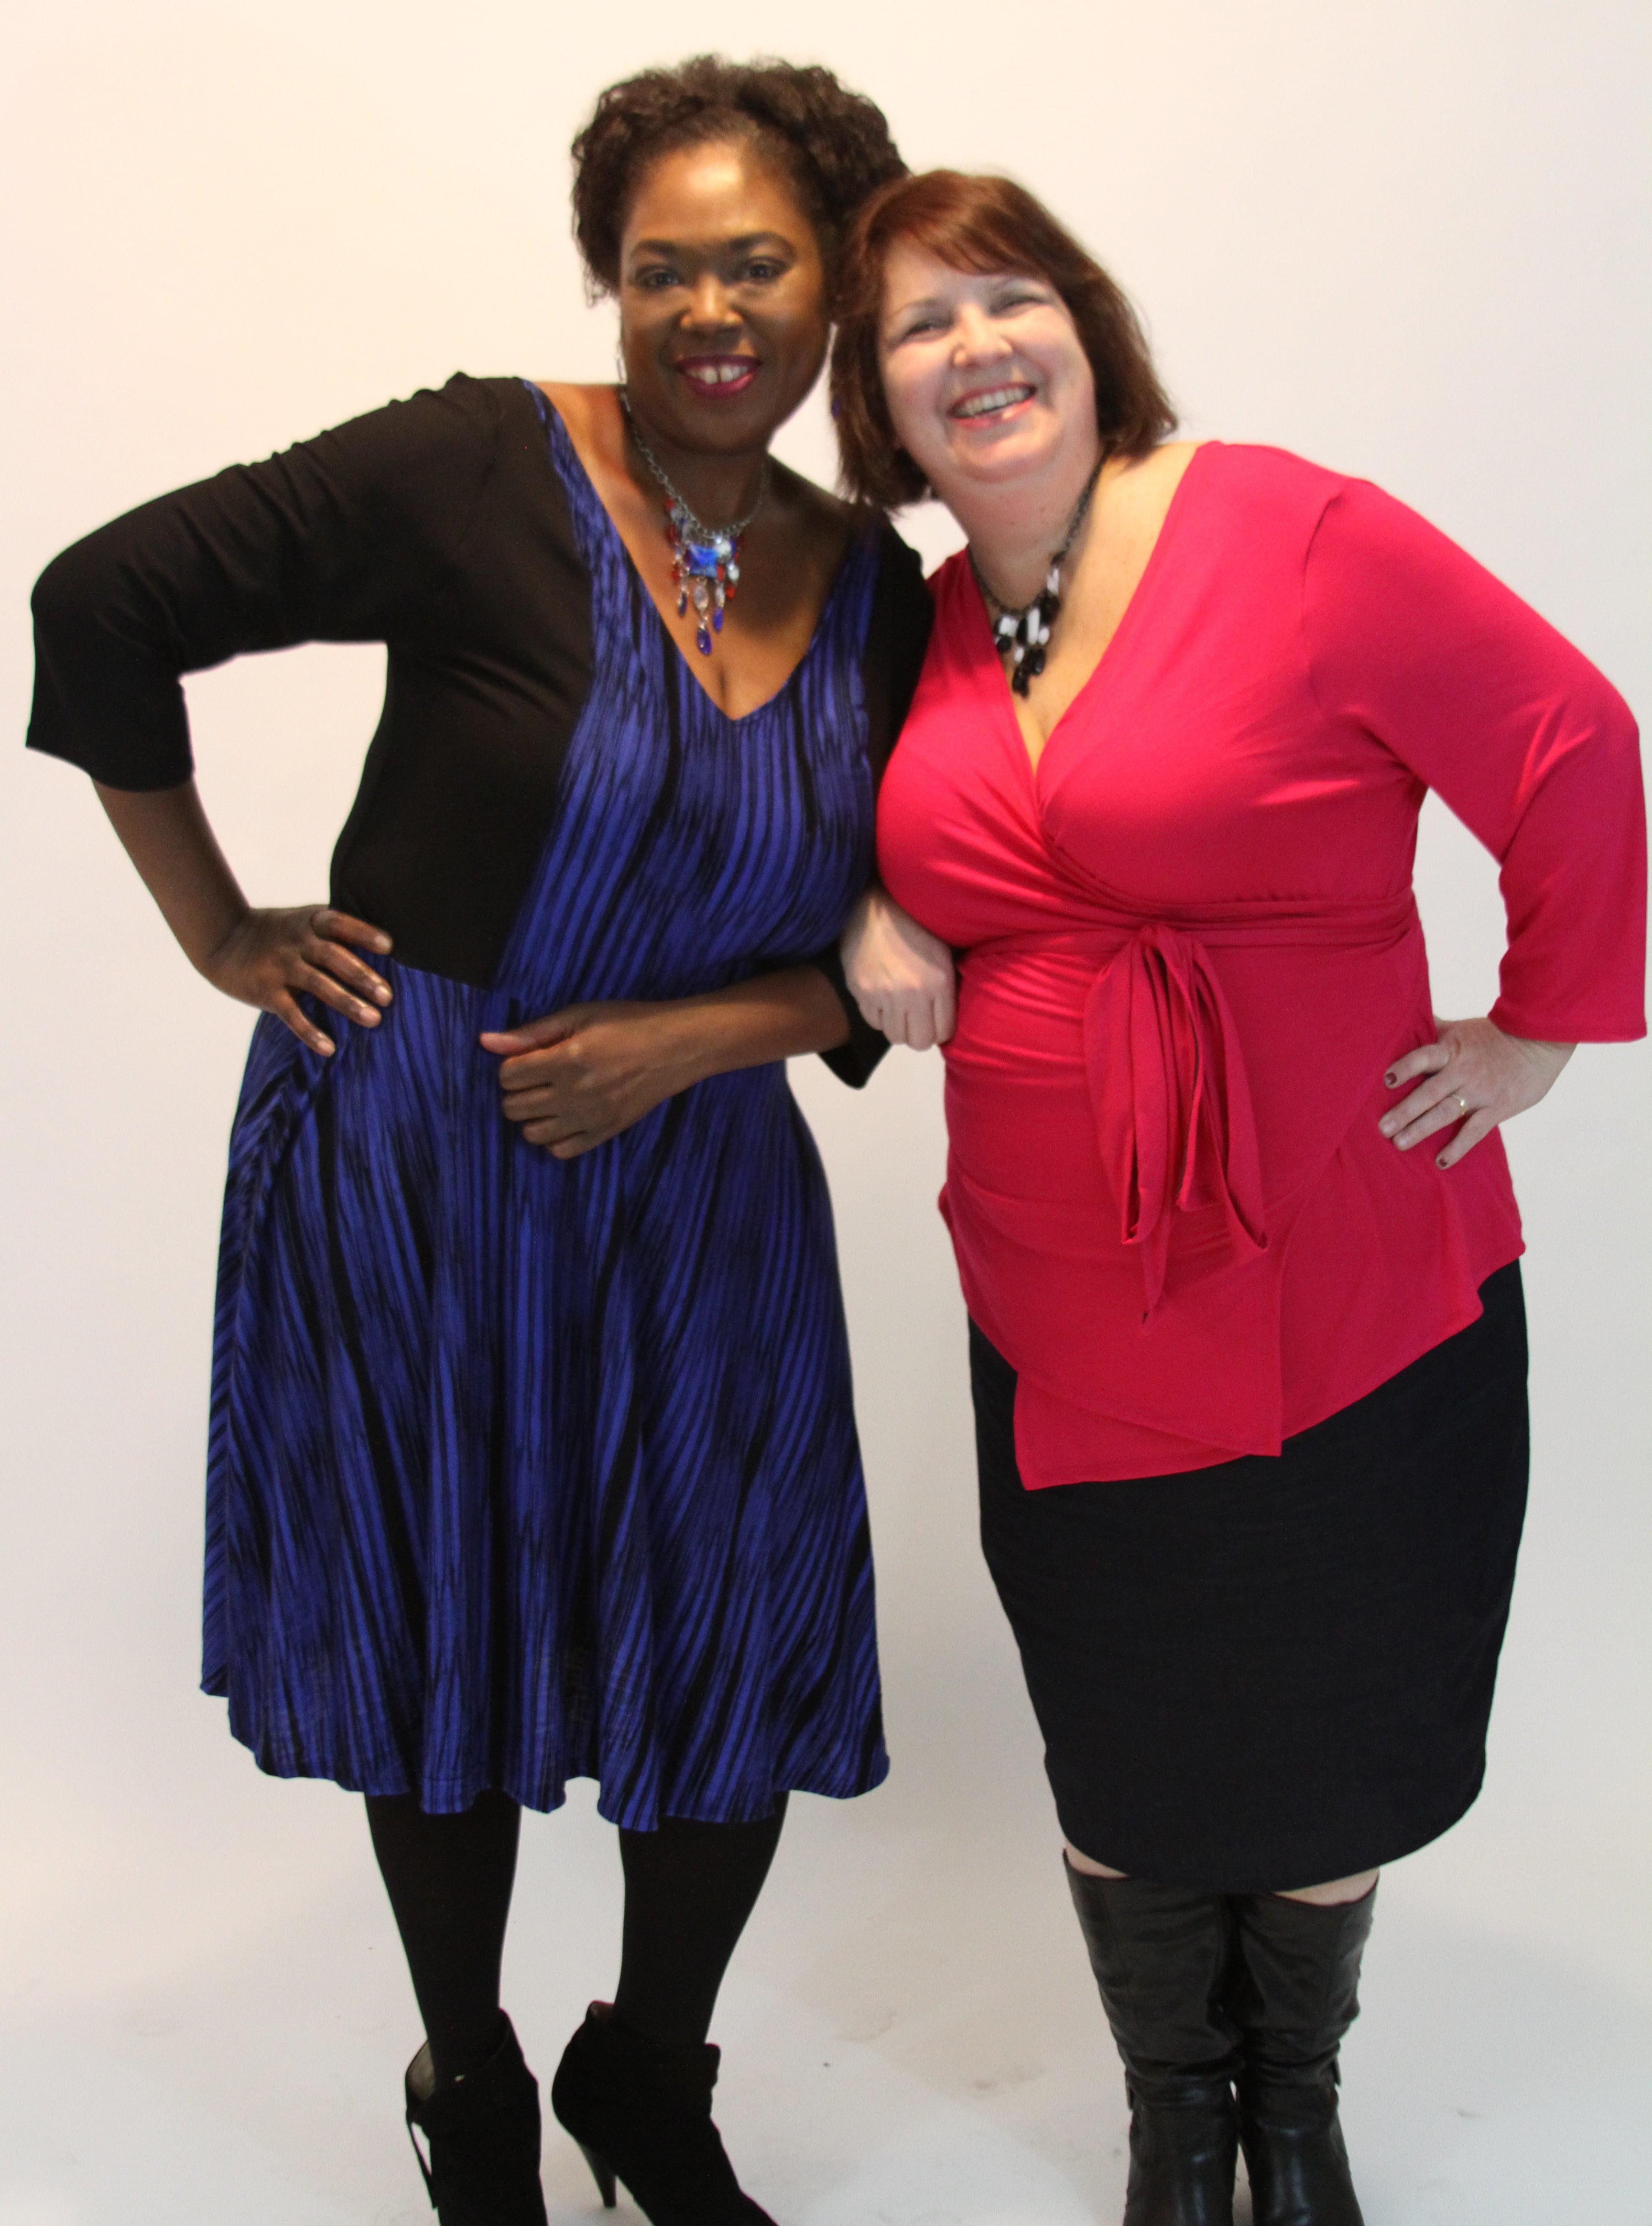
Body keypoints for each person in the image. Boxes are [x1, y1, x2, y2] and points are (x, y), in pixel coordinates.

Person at [25, 59, 930, 2226]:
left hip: (702, 1185)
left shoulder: (880, 591)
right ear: (609, 283)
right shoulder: (476, 465)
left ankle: (652, 2075)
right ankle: (474, 2070)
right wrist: (220, 927)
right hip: (425, 1152)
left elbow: (928, 942)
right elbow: (98, 601)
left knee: (725, 1624)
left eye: (758, 264)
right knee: (452, 1618)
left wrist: (703, 1034)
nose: (708, 310)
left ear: (836, 283)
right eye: (660, 268)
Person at [828, 169, 1645, 2226]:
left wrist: (1541, 1028)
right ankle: (1175, 2119)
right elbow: (819, 815)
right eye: (919, 324)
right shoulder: (918, 628)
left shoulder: (1291, 533)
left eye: (1008, 295)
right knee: (1127, 1738)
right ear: (879, 400)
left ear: (1087, 324)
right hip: (1064, 1297)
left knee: (1331, 1725)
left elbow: (1570, 740)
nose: (974, 347)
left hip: (1348, 1272)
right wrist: (865, 908)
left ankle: (1298, 2107)